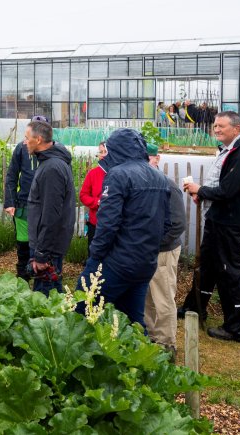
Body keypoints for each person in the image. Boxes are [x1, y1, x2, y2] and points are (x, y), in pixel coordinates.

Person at [180, 111, 240, 343]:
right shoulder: (229, 150)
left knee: (229, 272)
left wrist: (201, 190)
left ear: (236, 129)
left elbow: (228, 191)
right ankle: (194, 308)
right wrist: (202, 193)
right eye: (215, 125)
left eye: (221, 126)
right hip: (218, 217)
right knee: (208, 265)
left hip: (229, 220)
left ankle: (238, 328)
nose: (216, 129)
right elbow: (220, 185)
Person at [77, 129, 170, 329]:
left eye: (109, 151)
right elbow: (166, 224)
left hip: (117, 262)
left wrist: (95, 257)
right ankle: (142, 358)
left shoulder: (118, 174)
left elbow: (108, 223)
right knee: (133, 321)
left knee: (81, 310)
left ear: (117, 150)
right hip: (145, 263)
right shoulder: (160, 178)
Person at [24, 119, 75, 295]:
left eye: (27, 138)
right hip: (46, 246)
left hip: (47, 249)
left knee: (46, 303)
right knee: (51, 297)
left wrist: (41, 255)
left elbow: (51, 215)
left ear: (38, 140)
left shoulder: (52, 168)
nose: (25, 142)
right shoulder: (51, 162)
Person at [145, 144, 186, 356]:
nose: (145, 163)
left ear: (157, 159)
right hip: (147, 250)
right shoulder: (142, 185)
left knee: (163, 296)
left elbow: (178, 223)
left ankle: (167, 343)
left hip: (164, 250)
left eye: (149, 158)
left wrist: (157, 243)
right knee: (148, 296)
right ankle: (152, 336)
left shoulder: (168, 185)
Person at [4, 116, 41, 282]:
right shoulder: (20, 148)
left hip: (44, 205)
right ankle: (22, 280)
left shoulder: (54, 151)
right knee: (23, 244)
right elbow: (12, 176)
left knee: (42, 243)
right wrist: (10, 202)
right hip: (23, 203)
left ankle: (43, 280)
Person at [78, 142, 107, 255]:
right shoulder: (93, 174)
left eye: (106, 152)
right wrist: (97, 202)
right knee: (94, 254)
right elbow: (83, 195)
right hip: (95, 222)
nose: (103, 155)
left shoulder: (118, 173)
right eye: (101, 152)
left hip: (114, 224)